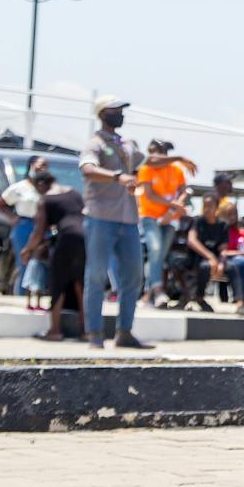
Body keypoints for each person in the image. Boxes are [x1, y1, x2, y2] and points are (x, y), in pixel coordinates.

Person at [79, 96, 150, 350]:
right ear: (102, 113)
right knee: (96, 276)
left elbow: (148, 160)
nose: (120, 114)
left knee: (133, 276)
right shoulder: (95, 144)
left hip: (128, 219)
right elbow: (87, 169)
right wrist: (118, 177)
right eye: (115, 110)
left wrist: (178, 159)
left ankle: (124, 332)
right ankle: (95, 334)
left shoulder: (125, 144)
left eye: (121, 110)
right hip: (101, 218)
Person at [24, 173, 86, 340]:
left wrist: (27, 249)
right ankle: (86, 331)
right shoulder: (74, 192)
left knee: (58, 283)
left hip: (65, 238)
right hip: (86, 237)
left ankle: (55, 331)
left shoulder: (46, 200)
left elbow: (38, 231)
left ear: (42, 184)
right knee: (81, 284)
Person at [136, 139, 190, 305]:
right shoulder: (146, 169)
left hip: (170, 219)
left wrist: (173, 210)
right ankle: (158, 291)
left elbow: (184, 192)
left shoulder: (176, 169)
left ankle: (148, 294)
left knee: (158, 256)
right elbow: (150, 195)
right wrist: (173, 205)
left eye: (155, 152)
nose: (152, 155)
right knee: (156, 250)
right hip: (150, 216)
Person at [0, 156, 50, 304]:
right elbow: (0, 204)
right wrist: (12, 218)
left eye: (45, 166)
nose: (42, 169)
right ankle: (21, 301)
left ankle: (37, 301)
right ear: (31, 166)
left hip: (42, 227)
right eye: (40, 166)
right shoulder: (20, 187)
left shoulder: (47, 188)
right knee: (24, 264)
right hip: (24, 226)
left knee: (39, 265)